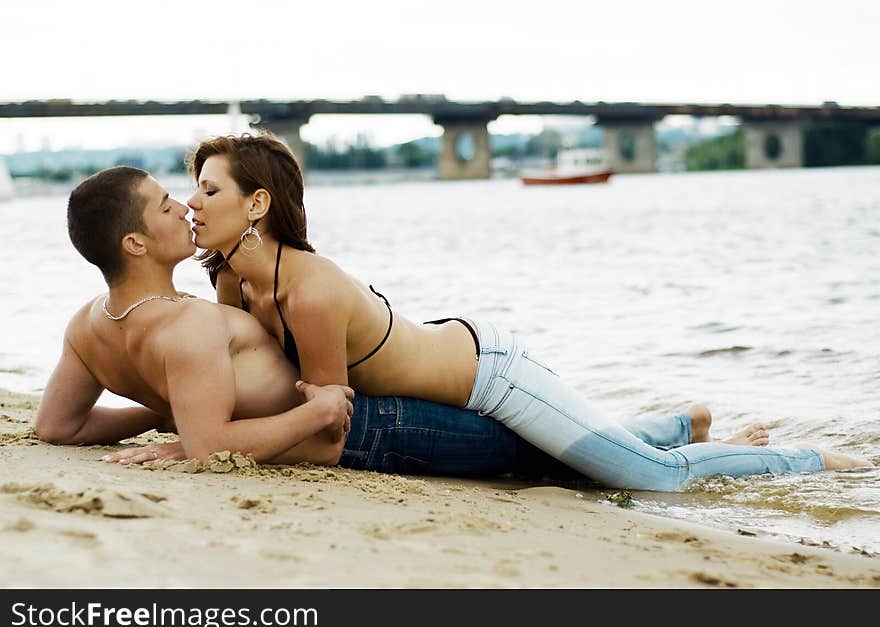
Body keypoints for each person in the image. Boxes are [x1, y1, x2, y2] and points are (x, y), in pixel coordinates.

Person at [187, 133, 871, 492]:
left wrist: (209, 441)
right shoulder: (236, 286)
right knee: (583, 460)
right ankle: (675, 423)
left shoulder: (308, 289)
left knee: (657, 479)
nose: (192, 202)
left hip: (494, 377)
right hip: (456, 378)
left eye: (208, 189)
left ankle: (805, 457)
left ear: (257, 204)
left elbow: (331, 414)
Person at [34, 165, 606, 484]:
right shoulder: (188, 325)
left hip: (356, 410)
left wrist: (164, 412)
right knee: (548, 457)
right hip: (364, 429)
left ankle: (657, 430)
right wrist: (317, 409)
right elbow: (210, 448)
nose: (185, 207)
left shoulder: (88, 325)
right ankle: (662, 437)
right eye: (164, 206)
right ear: (134, 244)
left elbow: (58, 427)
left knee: (567, 444)